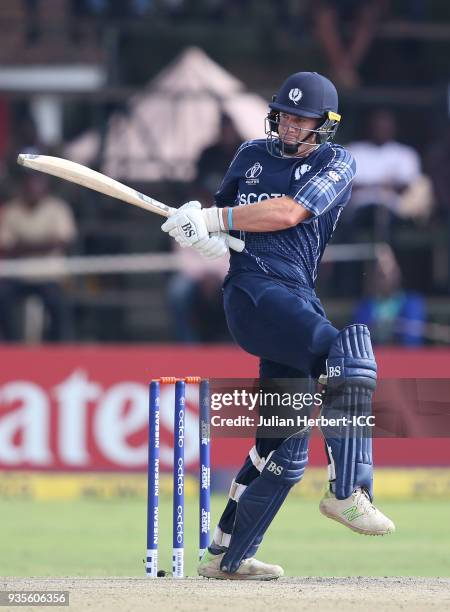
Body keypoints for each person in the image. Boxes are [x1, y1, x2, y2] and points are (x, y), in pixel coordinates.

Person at [162, 71, 395, 580]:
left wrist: (215, 220)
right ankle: (347, 491)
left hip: (296, 298)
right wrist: (199, 234)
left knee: (283, 446)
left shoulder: (336, 162)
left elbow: (288, 212)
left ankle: (228, 555)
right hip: (251, 293)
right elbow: (224, 225)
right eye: (285, 115)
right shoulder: (249, 154)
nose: (290, 125)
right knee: (349, 350)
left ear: (324, 125)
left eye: (302, 118)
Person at [0, 172, 77, 341]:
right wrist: (44, 244)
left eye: (37, 186)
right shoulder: (12, 210)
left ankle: (55, 348)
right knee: (2, 298)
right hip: (19, 275)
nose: (32, 190)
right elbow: (6, 247)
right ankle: (11, 345)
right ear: (23, 188)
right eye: (29, 186)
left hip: (50, 276)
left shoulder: (58, 208)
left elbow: (62, 242)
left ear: (45, 188)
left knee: (58, 304)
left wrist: (24, 244)